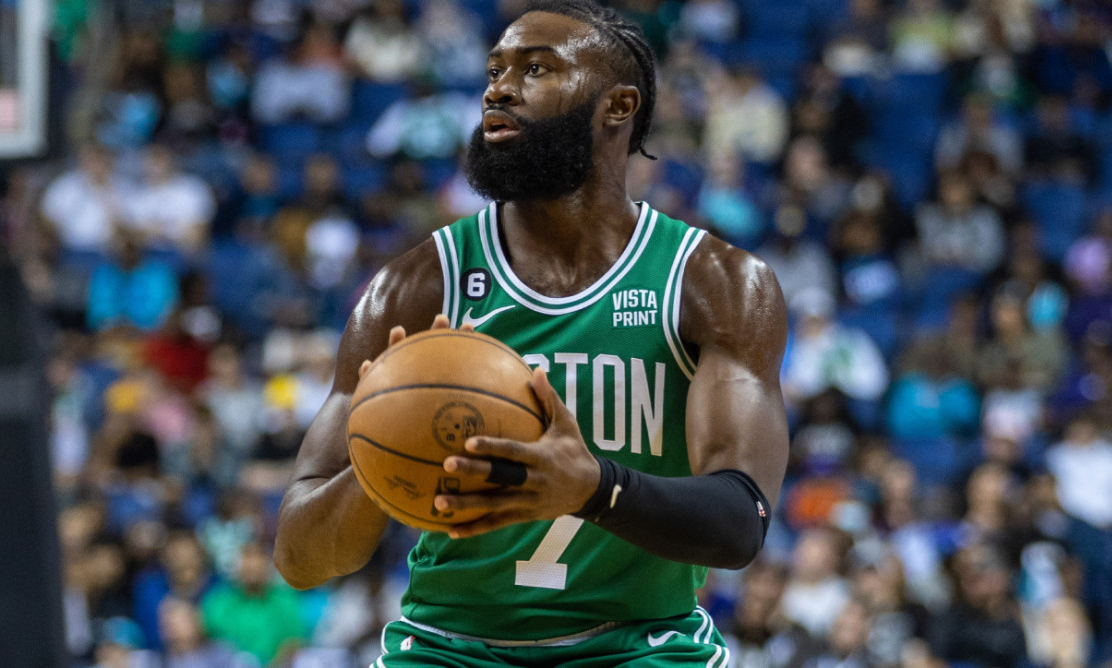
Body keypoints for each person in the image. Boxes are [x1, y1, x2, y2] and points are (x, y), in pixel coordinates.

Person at [273, 0, 790, 664]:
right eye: (494, 71)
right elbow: (300, 557)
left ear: (617, 106)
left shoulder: (715, 283)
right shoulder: (415, 288)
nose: (499, 88)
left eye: (536, 68)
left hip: (640, 644)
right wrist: (384, 459)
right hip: (448, 647)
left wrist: (595, 489)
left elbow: (740, 524)